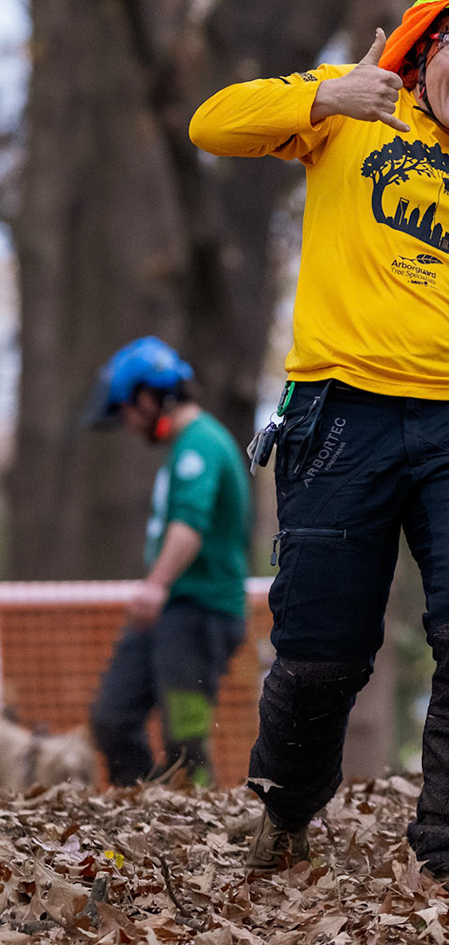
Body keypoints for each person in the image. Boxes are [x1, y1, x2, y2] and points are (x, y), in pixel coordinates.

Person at [188, 0, 449, 890]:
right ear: (425, 45)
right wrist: (327, 90)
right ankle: (286, 815)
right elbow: (212, 124)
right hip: (336, 411)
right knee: (321, 658)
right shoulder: (351, 116)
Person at [85, 337, 251, 788]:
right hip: (170, 611)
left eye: (125, 409)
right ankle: (143, 815)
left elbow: (188, 525)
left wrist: (155, 584)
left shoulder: (201, 445)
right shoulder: (181, 447)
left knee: (186, 743)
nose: (126, 422)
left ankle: (197, 829)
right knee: (111, 718)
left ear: (146, 396)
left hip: (201, 612)